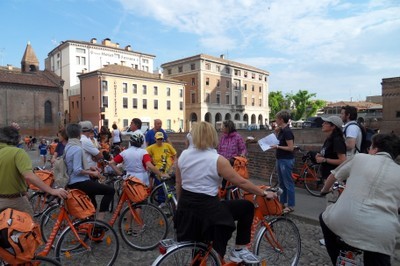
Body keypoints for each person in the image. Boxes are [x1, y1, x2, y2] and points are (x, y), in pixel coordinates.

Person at [174, 121, 277, 264]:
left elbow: (179, 184)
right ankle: (240, 249)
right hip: (208, 208)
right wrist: (263, 193)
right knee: (246, 207)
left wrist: (180, 207)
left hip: (187, 208)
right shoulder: (217, 160)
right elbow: (241, 182)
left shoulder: (183, 156)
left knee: (199, 246)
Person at [319, 133, 400, 265]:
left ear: (375, 148)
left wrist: (324, 191)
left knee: (324, 218)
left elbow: (333, 177)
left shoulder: (359, 158)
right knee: (377, 256)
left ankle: (337, 261)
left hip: (344, 219)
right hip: (381, 232)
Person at [0, 126, 67, 216]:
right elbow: (28, 176)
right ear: (16, 139)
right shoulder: (17, 152)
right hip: (15, 200)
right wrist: (51, 191)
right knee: (30, 227)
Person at [64, 123, 114, 221]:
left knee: (93, 203)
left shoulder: (69, 146)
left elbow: (72, 165)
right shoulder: (77, 148)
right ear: (79, 133)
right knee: (110, 191)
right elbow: (77, 170)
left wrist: (90, 168)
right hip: (79, 182)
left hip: (72, 181)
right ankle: (100, 221)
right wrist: (92, 173)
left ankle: (90, 225)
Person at [271, 110, 295, 214]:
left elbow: (291, 148)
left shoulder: (287, 132)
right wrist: (276, 132)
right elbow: (278, 141)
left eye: (277, 119)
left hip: (286, 159)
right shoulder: (281, 130)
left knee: (288, 183)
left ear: (281, 119)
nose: (275, 120)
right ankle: (282, 202)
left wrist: (277, 147)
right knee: (281, 183)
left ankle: (291, 205)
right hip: (280, 159)